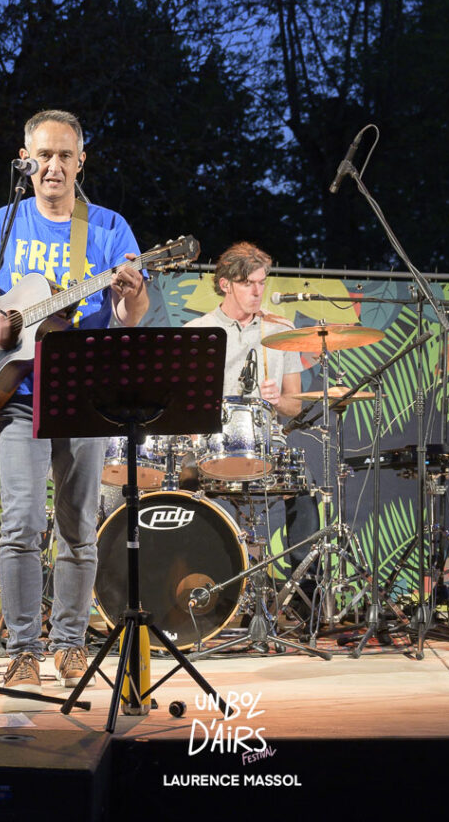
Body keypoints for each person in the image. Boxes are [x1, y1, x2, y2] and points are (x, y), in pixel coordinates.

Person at [0, 109, 148, 691]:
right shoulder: (0, 224)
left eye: (64, 156)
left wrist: (132, 294)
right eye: (43, 156)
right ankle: (23, 648)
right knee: (21, 523)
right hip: (17, 393)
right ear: (25, 161)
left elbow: (129, 316)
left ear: (81, 161)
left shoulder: (108, 228)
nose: (53, 166)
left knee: (78, 527)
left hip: (87, 395)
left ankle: (70, 645)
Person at [185, 242, 318, 621]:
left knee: (305, 489)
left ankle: (305, 595)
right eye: (248, 283)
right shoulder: (197, 332)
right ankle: (195, 592)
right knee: (183, 487)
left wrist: (278, 399)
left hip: (267, 444)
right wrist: (196, 436)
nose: (257, 291)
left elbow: (294, 405)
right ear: (225, 284)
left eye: (262, 282)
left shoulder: (281, 329)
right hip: (211, 444)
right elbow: (185, 404)